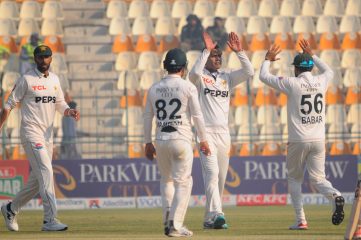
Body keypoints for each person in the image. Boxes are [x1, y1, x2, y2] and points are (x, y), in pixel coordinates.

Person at [259, 40, 345, 230]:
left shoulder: (292, 83)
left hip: (298, 140)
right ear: (311, 67)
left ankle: (301, 220)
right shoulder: (321, 80)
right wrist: (313, 54)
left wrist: (267, 59)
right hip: (318, 140)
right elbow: (330, 71)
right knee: (319, 179)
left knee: (294, 179)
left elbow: (263, 76)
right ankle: (336, 195)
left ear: (296, 69)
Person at [0, 45, 80, 231]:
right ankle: (49, 220)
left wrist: (69, 111)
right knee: (46, 171)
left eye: (46, 57)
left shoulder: (54, 79)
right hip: (31, 133)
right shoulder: (26, 79)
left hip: (47, 136)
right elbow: (8, 106)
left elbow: (60, 103)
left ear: (51, 59)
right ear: (35, 59)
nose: (43, 60)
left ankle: (10, 208)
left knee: (37, 181)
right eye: (40, 57)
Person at [188, 32, 254, 229]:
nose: (218, 58)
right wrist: (206, 50)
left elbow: (249, 72)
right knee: (212, 173)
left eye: (219, 56)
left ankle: (209, 219)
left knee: (220, 178)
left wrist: (240, 52)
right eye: (214, 55)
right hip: (205, 133)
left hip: (224, 134)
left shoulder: (227, 77)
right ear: (207, 57)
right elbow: (192, 74)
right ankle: (218, 213)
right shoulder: (201, 78)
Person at [144, 48, 211, 237]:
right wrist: (204, 140)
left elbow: (147, 117)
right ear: (183, 68)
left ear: (166, 66)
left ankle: (169, 220)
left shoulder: (154, 88)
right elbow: (197, 115)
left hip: (161, 140)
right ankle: (175, 225)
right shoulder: (188, 87)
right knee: (184, 183)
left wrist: (147, 142)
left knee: (166, 180)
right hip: (181, 139)